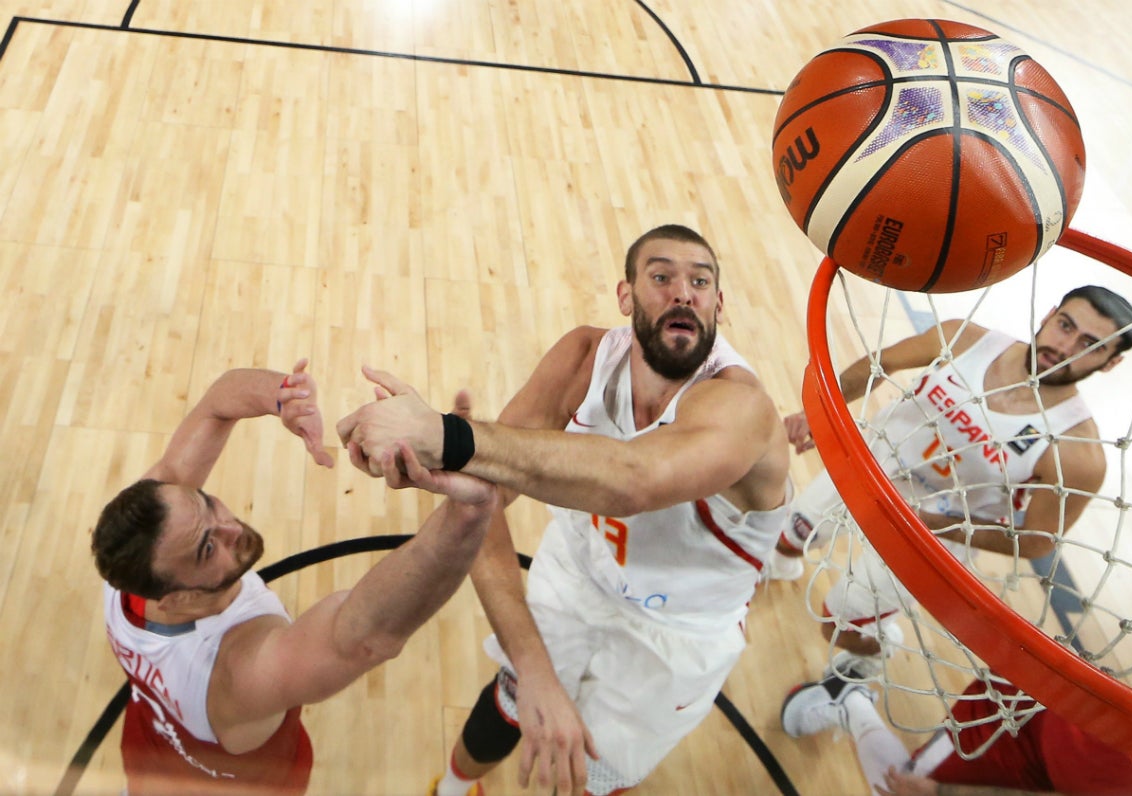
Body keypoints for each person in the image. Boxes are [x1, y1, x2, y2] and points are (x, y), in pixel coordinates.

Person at [336, 224, 793, 795]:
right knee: (510, 696)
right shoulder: (583, 359)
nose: (683, 292)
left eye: (700, 282)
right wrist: (533, 670)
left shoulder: (742, 408)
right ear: (625, 296)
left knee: (597, 772)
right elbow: (483, 501)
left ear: (719, 305)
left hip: (679, 630)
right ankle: (450, 789)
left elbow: (633, 481)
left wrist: (451, 438)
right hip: (578, 570)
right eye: (661, 276)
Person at [92, 359, 495, 795]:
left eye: (207, 503)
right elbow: (365, 637)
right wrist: (466, 513)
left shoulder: (135, 562)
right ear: (177, 600)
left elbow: (217, 404)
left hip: (149, 764)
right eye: (208, 548)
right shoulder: (236, 675)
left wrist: (283, 396)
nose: (230, 527)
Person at [768, 285, 1132, 666]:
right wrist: (817, 413)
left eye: (1090, 345)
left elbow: (1036, 541)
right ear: (1048, 315)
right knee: (788, 538)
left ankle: (878, 651)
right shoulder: (965, 339)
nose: (1064, 348)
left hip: (938, 528)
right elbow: (884, 362)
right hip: (874, 467)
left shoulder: (1078, 452)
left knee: (838, 628)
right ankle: (779, 566)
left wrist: (933, 523)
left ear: (1110, 362)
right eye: (1065, 325)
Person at [780, 674, 1132, 795]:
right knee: (905, 787)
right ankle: (850, 701)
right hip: (1019, 724)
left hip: (1059, 751)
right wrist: (944, 792)